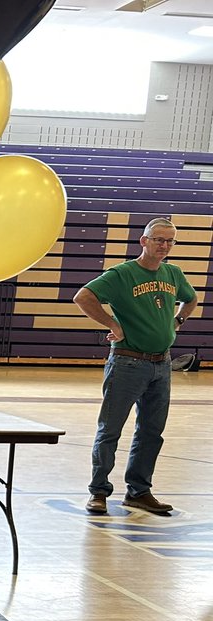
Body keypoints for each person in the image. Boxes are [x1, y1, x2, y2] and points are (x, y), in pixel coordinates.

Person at [73, 217, 199, 515]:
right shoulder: (123, 274)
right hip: (128, 363)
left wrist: (178, 321)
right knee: (110, 430)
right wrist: (111, 323)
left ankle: (139, 491)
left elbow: (191, 299)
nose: (164, 246)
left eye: (170, 241)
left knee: (151, 432)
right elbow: (83, 296)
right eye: (158, 239)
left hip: (162, 364)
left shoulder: (173, 273)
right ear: (144, 241)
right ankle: (99, 491)